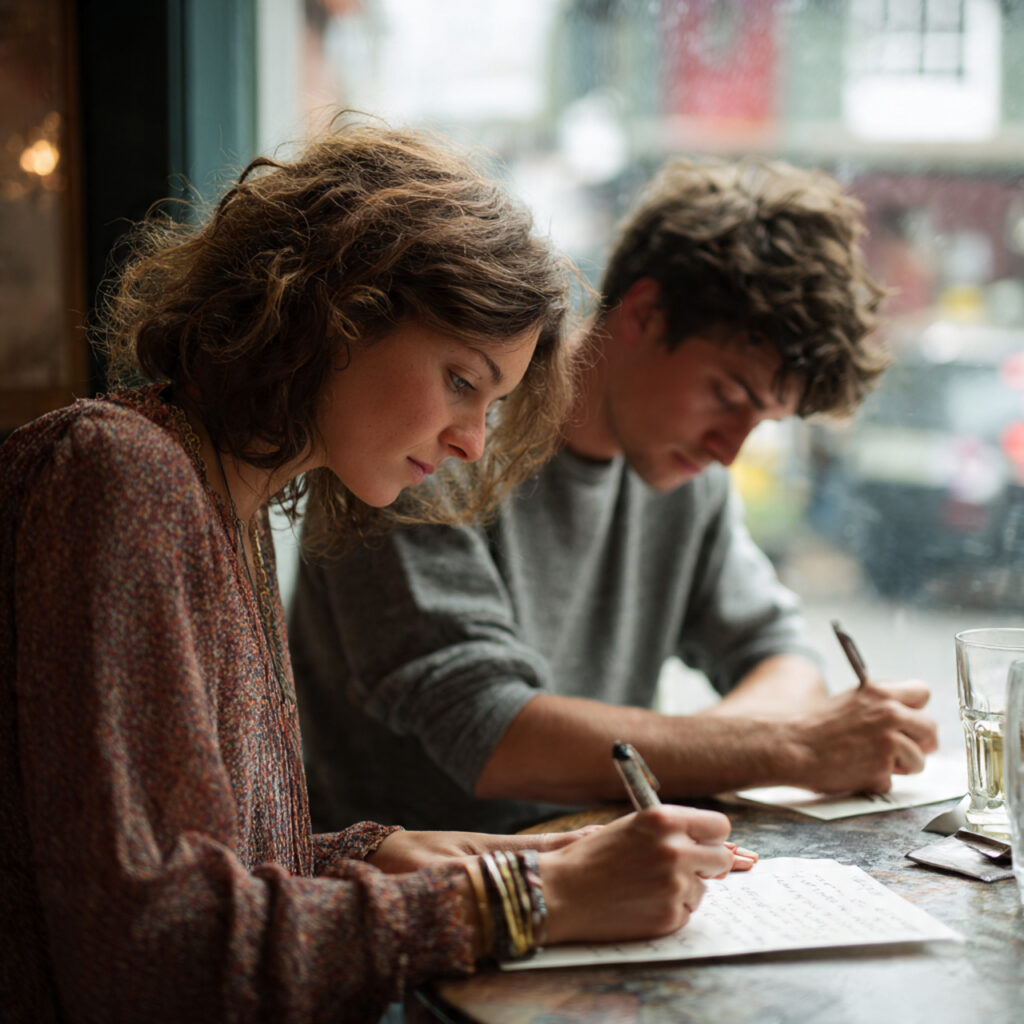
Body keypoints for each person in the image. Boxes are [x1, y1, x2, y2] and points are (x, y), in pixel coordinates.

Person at [0, 121, 753, 1024]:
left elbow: (217, 868)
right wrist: (525, 899)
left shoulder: (223, 505)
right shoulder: (123, 477)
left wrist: (430, 854)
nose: (473, 440)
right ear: (340, 313)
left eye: (496, 403)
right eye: (462, 381)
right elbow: (158, 949)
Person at [288, 155, 940, 836]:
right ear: (647, 314)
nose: (730, 450)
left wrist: (716, 751)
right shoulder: (434, 443)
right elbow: (488, 733)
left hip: (604, 866)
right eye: (727, 395)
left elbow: (781, 659)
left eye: (763, 421)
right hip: (427, 891)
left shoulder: (689, 479)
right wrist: (787, 748)